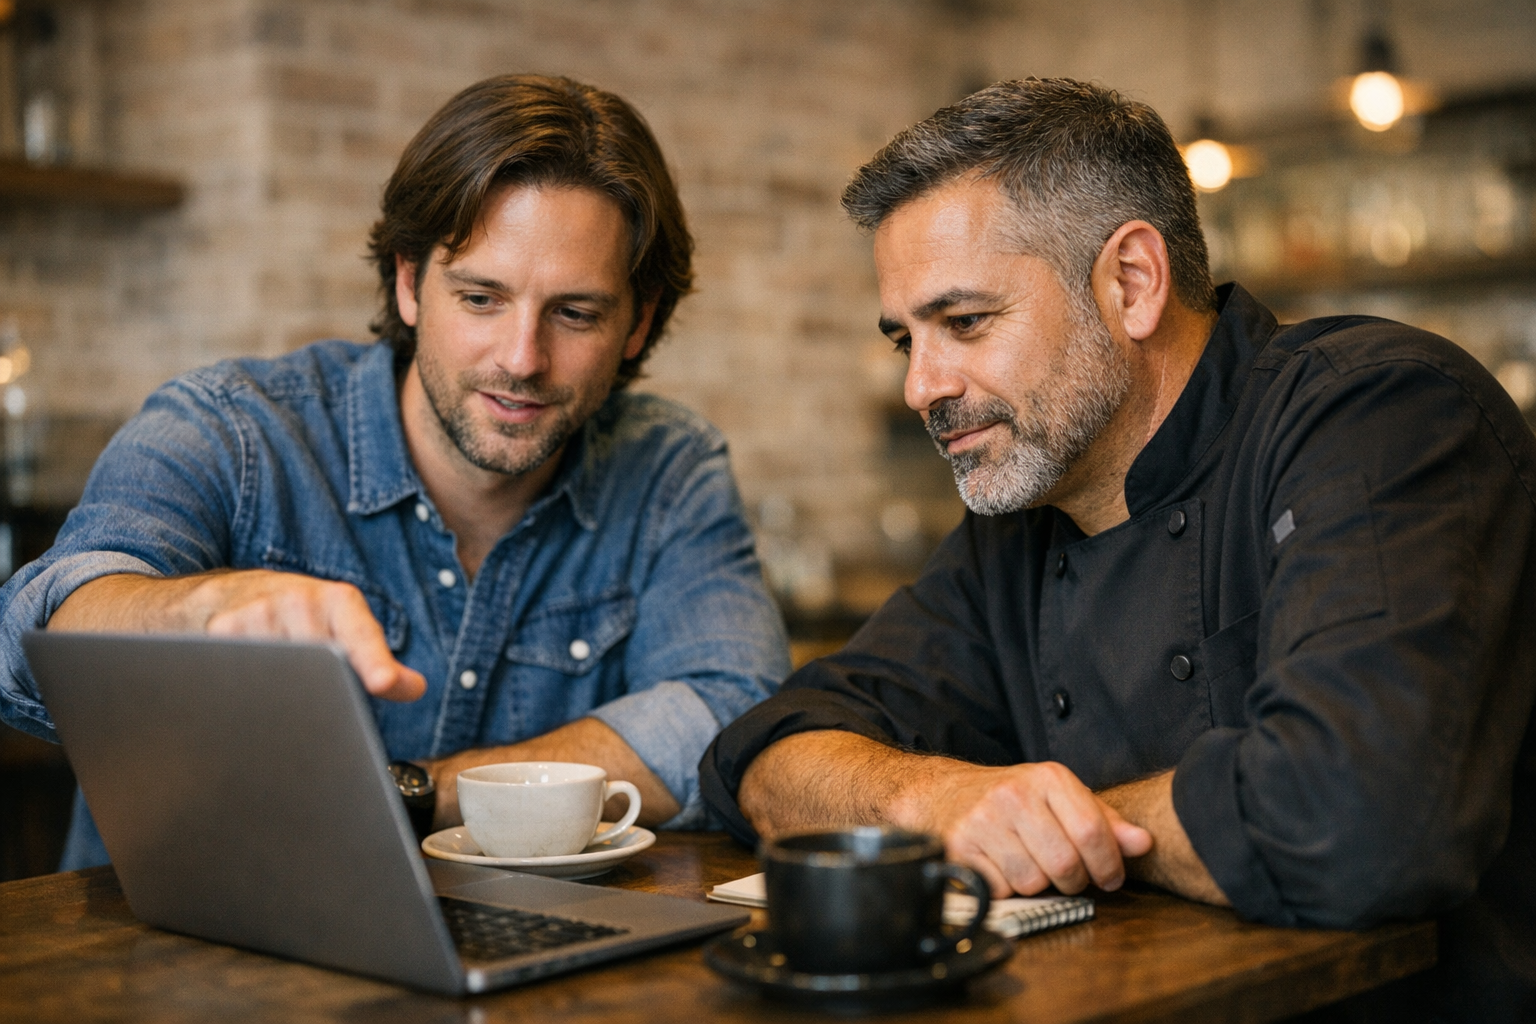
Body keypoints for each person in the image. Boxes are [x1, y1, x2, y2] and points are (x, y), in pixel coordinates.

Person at [700, 78, 1536, 1020]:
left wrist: (1057, 824)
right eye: (906, 340)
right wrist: (927, 796)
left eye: (966, 322)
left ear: (1131, 282)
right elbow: (763, 757)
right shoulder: (1011, 536)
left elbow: (1356, 817)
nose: (921, 387)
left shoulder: (1380, 414)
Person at [0, 73, 789, 868]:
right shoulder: (232, 428)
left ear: (637, 322)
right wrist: (196, 610)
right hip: (173, 960)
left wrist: (412, 792)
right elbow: (30, 639)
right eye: (481, 298)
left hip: (518, 958)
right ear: (410, 283)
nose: (522, 359)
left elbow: (731, 709)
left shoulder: (668, 468)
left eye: (575, 313)